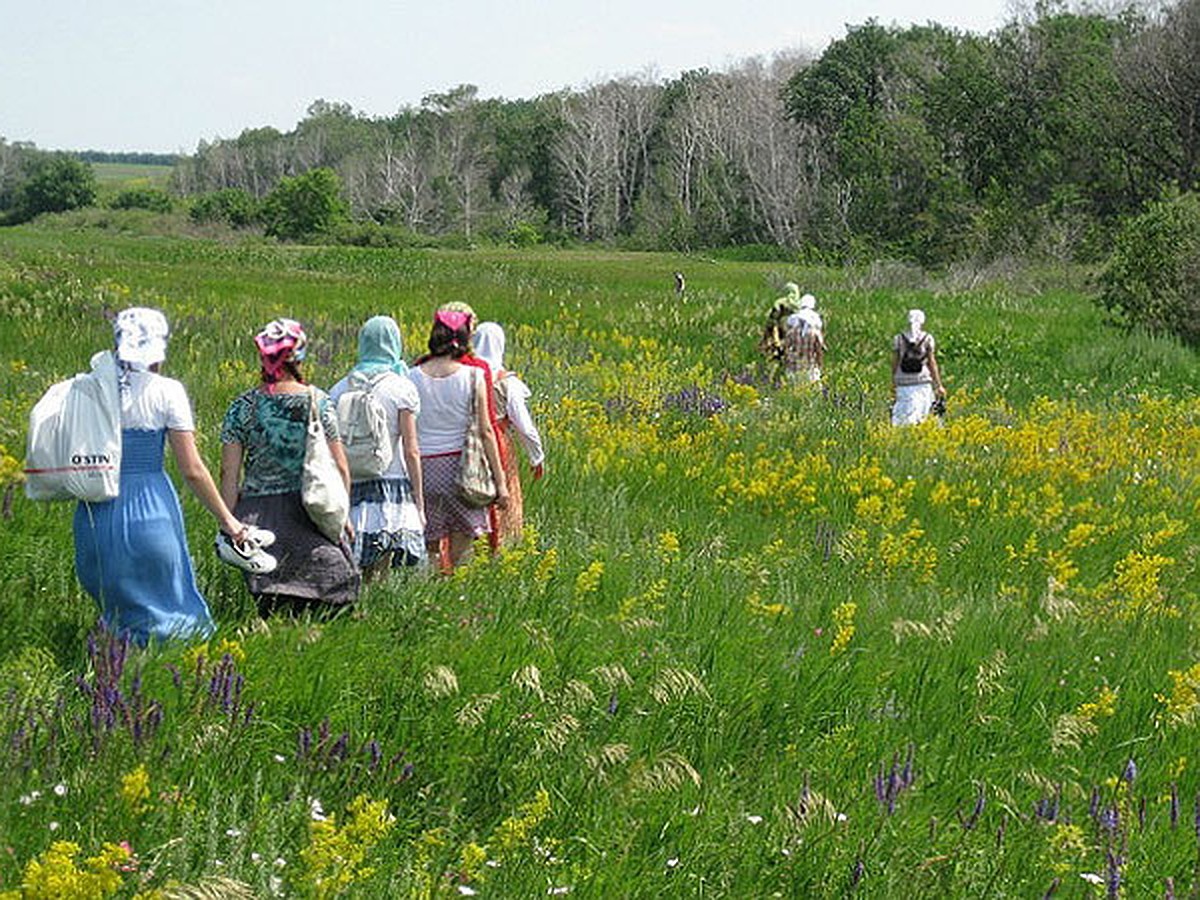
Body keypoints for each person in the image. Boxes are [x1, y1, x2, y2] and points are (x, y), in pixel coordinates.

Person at [74, 307, 257, 644]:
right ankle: (161, 677)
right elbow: (193, 470)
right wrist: (230, 522)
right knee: (171, 612)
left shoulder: (88, 387)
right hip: (150, 508)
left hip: (94, 510)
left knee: (114, 607)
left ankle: (107, 667)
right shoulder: (167, 391)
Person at [220, 318, 360, 617]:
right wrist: (342, 514)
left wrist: (230, 524)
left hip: (258, 517)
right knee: (332, 588)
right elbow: (340, 466)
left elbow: (228, 474)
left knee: (268, 602)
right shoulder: (317, 402)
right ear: (299, 355)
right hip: (310, 509)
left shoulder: (242, 407)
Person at [407, 309, 509, 571]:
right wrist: (501, 484)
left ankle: (430, 591)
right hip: (462, 471)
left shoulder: (412, 376)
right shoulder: (472, 376)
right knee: (462, 547)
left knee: (429, 546)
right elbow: (486, 431)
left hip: (423, 471)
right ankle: (455, 595)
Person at [328, 315, 426, 578]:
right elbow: (411, 449)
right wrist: (419, 498)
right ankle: (372, 609)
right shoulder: (403, 388)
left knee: (356, 560)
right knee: (383, 563)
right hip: (391, 482)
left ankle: (357, 606)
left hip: (353, 483)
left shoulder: (338, 389)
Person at [471, 322, 545, 544]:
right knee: (503, 491)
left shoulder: (465, 375)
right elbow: (524, 426)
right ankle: (499, 543)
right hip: (499, 442)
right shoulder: (506, 383)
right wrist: (536, 456)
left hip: (466, 442)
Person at [890, 309, 946, 426]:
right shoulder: (927, 339)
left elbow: (895, 363)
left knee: (903, 415)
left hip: (903, 382)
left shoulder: (899, 339)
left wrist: (893, 381)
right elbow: (932, 363)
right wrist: (939, 385)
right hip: (922, 382)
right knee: (922, 414)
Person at [759, 282, 802, 380]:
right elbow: (773, 325)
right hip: (783, 337)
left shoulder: (780, 303)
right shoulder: (795, 306)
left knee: (778, 362)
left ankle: (775, 381)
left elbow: (772, 323)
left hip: (782, 337)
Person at [783, 293, 825, 384]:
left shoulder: (791, 331)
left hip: (793, 367)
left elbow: (786, 348)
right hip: (809, 367)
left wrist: (786, 363)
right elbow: (819, 350)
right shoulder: (815, 332)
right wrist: (820, 365)